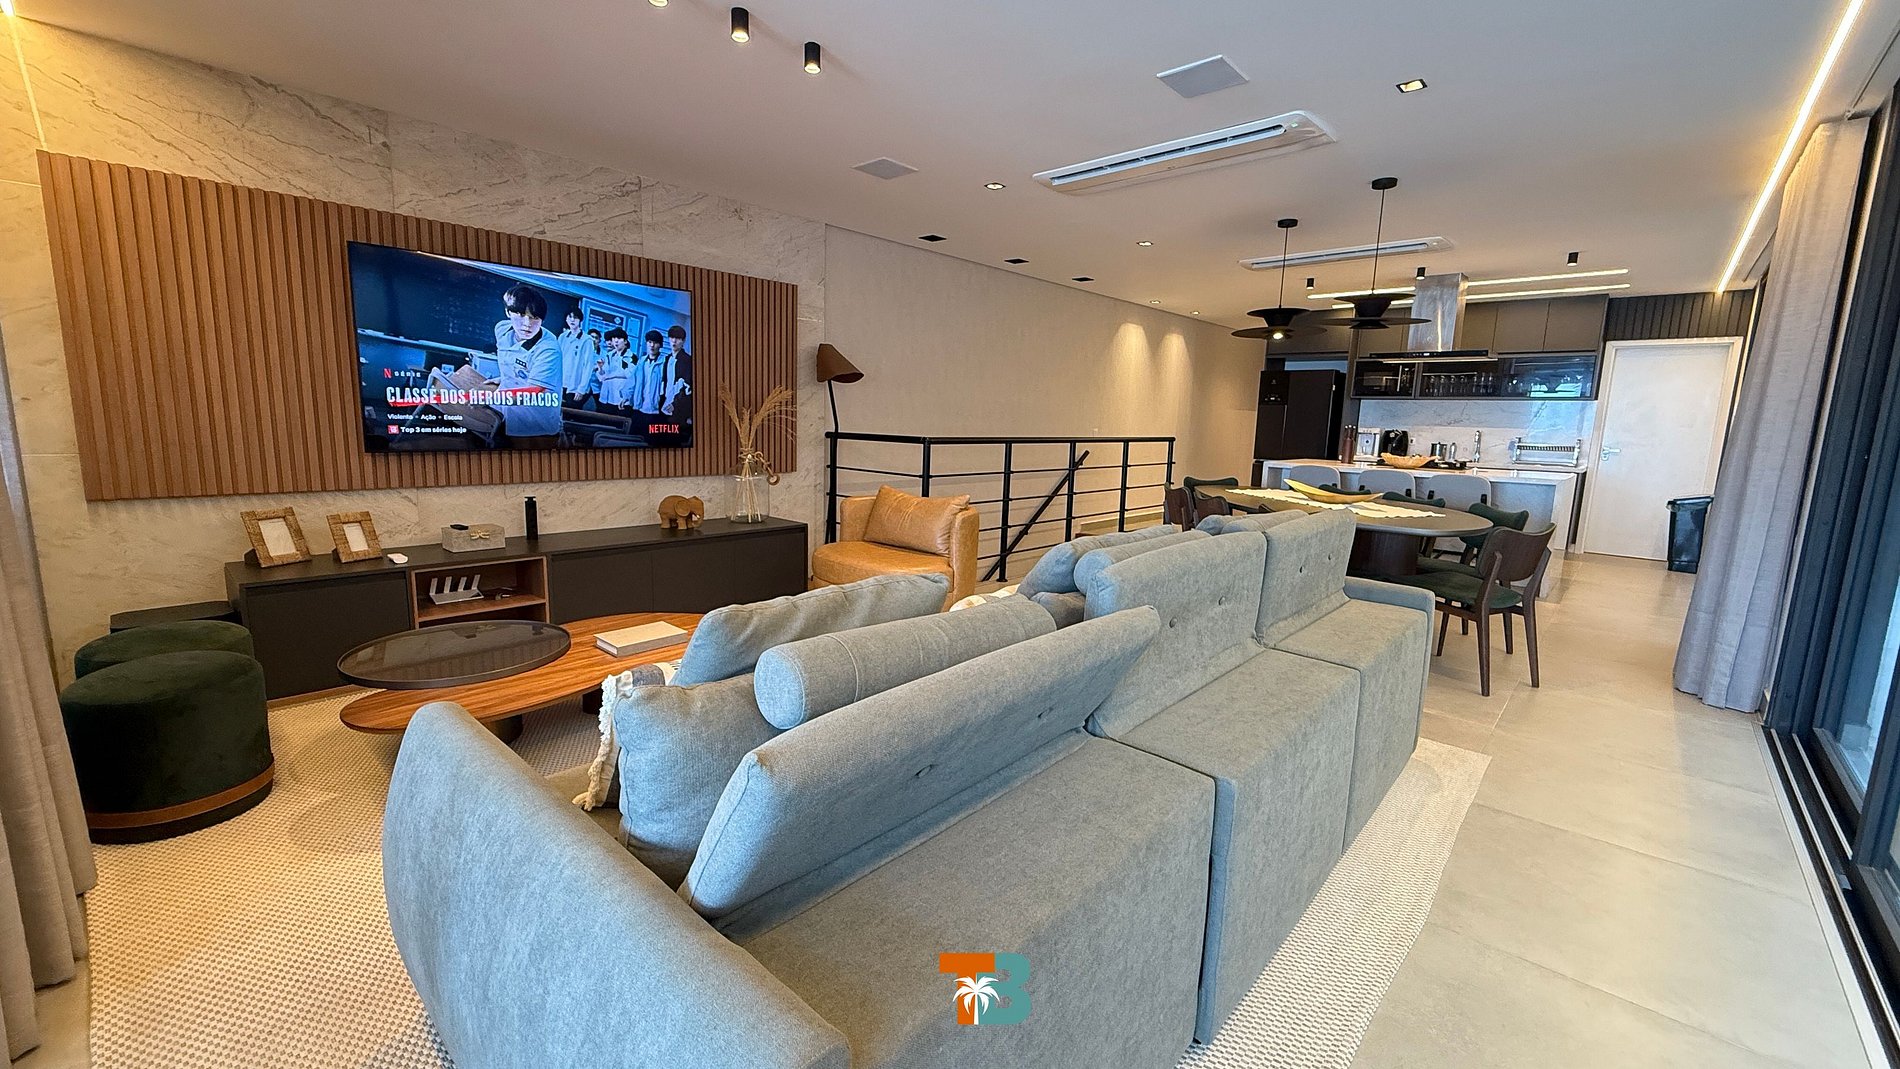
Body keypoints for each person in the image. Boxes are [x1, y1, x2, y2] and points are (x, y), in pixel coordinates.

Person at [481, 283, 564, 447]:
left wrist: (484, 397)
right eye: (520, 314)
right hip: (504, 410)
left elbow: (532, 392)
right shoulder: (501, 330)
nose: (527, 324)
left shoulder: (548, 349)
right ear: (508, 312)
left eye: (535, 318)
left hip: (536, 422)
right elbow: (514, 361)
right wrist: (504, 378)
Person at [557, 309, 597, 405]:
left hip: (575, 386)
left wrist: (581, 389)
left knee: (571, 411)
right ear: (566, 319)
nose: (572, 320)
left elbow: (588, 366)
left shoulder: (587, 340)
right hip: (560, 383)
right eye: (570, 317)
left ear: (580, 320)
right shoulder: (562, 337)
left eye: (575, 317)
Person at [594, 328, 636, 418]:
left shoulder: (631, 357)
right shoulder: (608, 355)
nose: (616, 341)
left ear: (625, 341)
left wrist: (609, 376)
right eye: (613, 338)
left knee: (618, 423)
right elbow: (602, 377)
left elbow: (629, 374)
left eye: (619, 338)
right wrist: (600, 368)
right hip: (606, 397)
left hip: (621, 398)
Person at [661, 324, 693, 422]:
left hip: (678, 408)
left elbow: (688, 387)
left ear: (683, 341)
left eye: (678, 338)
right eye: (672, 337)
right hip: (664, 405)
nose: (674, 341)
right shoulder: (667, 359)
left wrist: (675, 404)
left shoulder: (687, 360)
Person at [632, 329, 668, 418]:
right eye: (650, 342)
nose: (652, 345)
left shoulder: (665, 363)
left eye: (655, 343)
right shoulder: (641, 361)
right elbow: (632, 381)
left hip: (656, 409)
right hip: (640, 406)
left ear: (660, 345)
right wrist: (626, 397)